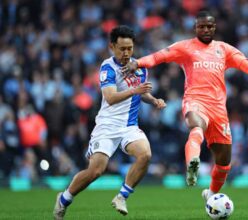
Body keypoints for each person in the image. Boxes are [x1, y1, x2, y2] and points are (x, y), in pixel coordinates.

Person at [122, 11, 248, 202]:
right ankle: (192, 162)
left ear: (214, 27)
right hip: (195, 100)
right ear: (195, 28)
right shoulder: (185, 47)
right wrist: (138, 62)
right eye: (202, 26)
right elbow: (158, 57)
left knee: (224, 164)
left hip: (218, 109)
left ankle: (211, 193)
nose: (206, 29)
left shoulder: (225, 50)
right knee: (196, 126)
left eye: (209, 26)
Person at [53, 25, 166, 219]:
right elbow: (111, 97)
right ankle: (64, 198)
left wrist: (153, 100)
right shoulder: (108, 67)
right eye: (122, 48)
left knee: (145, 154)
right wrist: (136, 91)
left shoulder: (140, 68)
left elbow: (142, 92)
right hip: (107, 126)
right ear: (112, 47)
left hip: (129, 126)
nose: (126, 53)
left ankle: (122, 196)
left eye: (129, 48)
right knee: (96, 171)